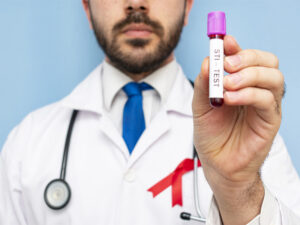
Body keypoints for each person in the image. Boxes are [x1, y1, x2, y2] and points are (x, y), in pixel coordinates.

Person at [1, 0, 300, 224]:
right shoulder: (28, 144)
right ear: (87, 8)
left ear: (187, 7)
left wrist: (239, 189)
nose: (136, 3)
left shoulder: (251, 138)